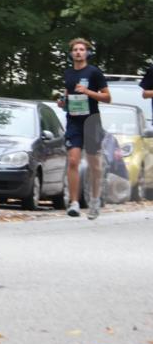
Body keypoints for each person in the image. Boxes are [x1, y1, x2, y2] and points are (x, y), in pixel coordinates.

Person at [57, 38, 110, 220]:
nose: (78, 52)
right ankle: (74, 203)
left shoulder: (94, 72)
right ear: (71, 53)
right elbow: (67, 96)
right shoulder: (68, 73)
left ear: (87, 53)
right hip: (74, 121)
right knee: (73, 160)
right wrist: (62, 102)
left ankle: (95, 199)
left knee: (95, 165)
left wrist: (87, 92)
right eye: (75, 50)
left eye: (81, 50)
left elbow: (107, 97)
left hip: (92, 121)